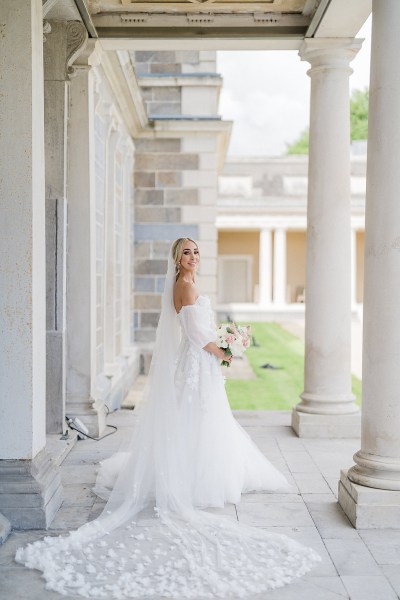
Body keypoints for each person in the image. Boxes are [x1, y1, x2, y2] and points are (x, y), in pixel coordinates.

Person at [16, 238, 320, 598]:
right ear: (177, 260)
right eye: (187, 252)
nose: (193, 257)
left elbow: (200, 329)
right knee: (199, 417)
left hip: (200, 364)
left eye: (196, 251)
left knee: (207, 419)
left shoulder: (191, 285)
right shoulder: (184, 285)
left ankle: (202, 469)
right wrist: (226, 349)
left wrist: (224, 342)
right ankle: (193, 478)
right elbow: (195, 335)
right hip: (196, 363)